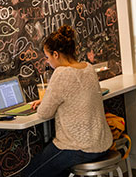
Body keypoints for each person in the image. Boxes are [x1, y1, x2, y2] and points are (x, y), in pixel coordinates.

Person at [21, 25, 113, 177]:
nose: (47, 62)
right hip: (102, 142)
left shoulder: (61, 73)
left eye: (47, 57)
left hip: (78, 147)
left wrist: (44, 103)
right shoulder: (88, 68)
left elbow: (44, 113)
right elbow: (74, 96)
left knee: (29, 174)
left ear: (56, 54)